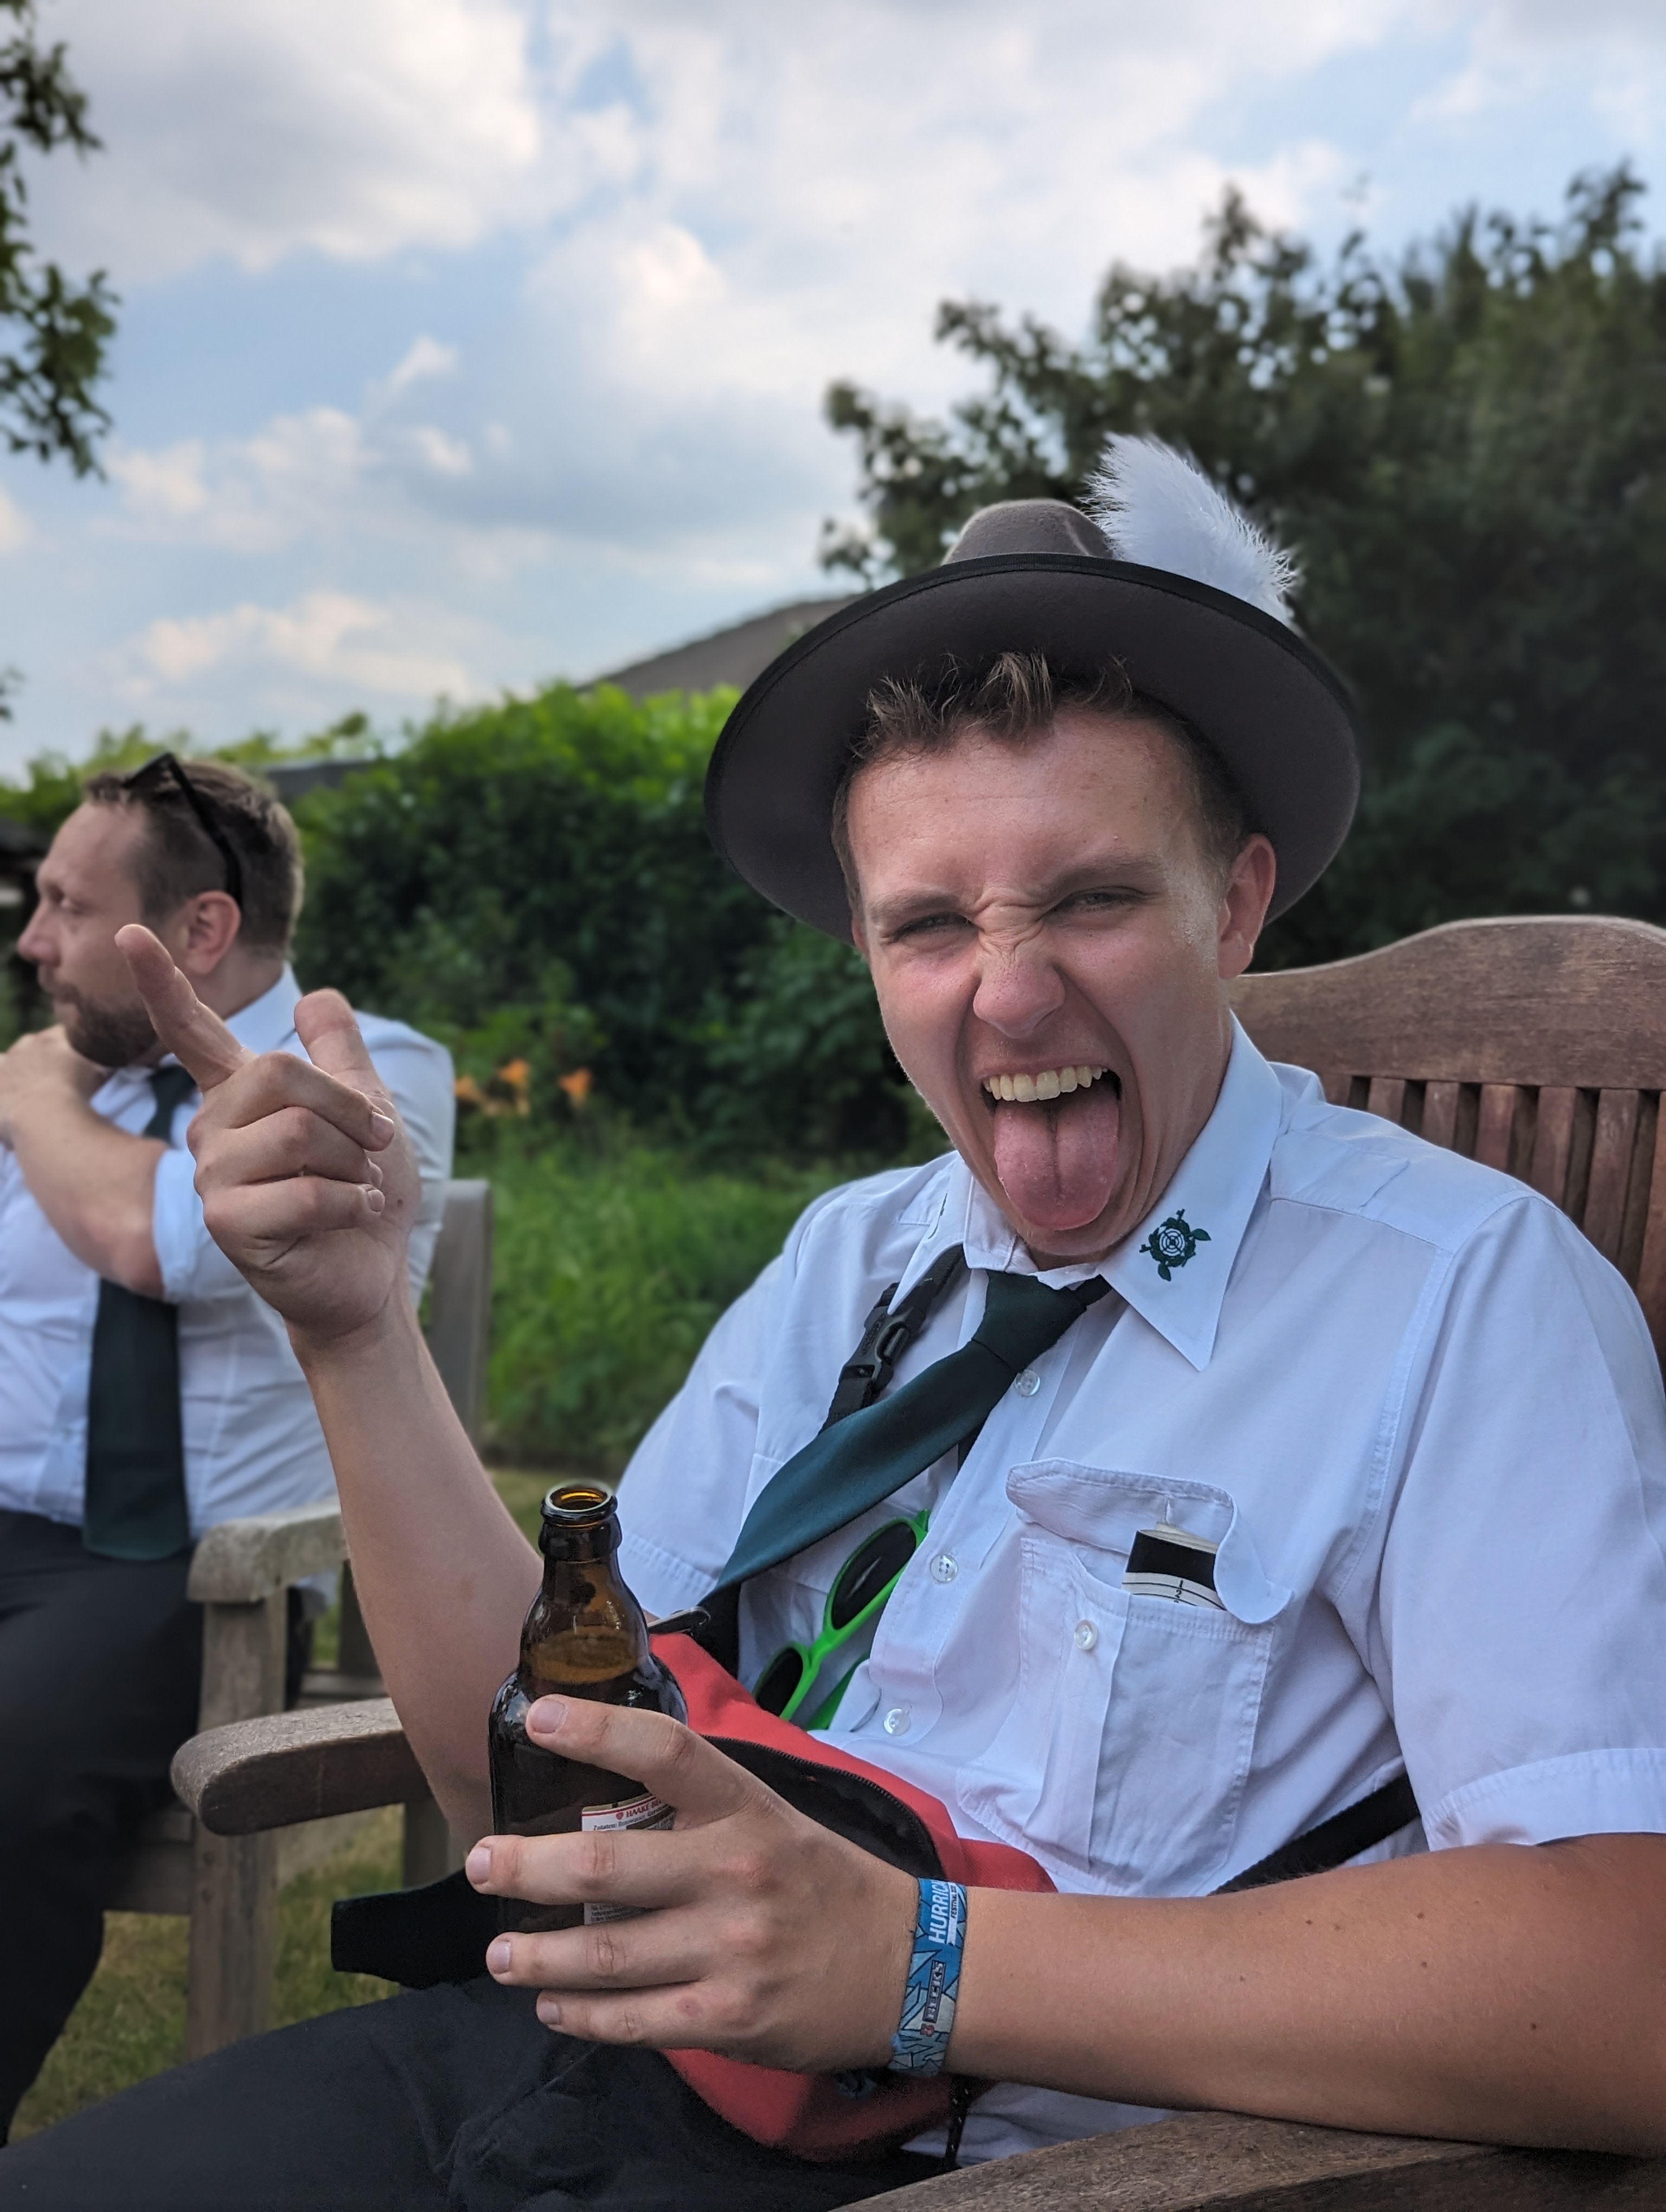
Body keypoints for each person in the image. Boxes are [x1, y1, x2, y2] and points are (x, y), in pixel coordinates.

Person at [5, 441, 1666, 2211]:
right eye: (929, 925)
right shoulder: (853, 1260)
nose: (1009, 992)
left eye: (1093, 899)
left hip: (1024, 2177)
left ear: (1236, 902)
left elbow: (1619, 1986)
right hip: (576, 2068)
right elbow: (539, 1756)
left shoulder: (1462, 1296)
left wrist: (920, 1965)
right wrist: (354, 1333)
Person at [0, 754, 455, 2139]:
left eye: (70, 907)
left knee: (12, 1771)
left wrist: (33, 1102)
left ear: (199, 929)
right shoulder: (72, 1075)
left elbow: (170, 1243)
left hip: (194, 1573)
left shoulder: (366, 1071)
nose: (31, 943)